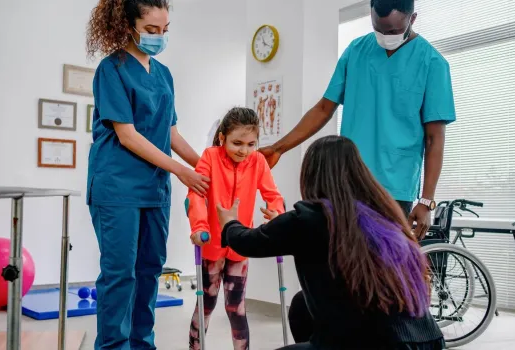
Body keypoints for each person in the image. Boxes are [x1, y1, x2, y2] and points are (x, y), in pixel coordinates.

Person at [259, 1, 455, 342]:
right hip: (344, 184)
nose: (385, 36)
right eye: (379, 29)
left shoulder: (433, 63)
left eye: (393, 30)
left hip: (392, 190)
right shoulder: (356, 51)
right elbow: (323, 108)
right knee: (341, 270)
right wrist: (279, 147)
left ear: (413, 19)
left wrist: (427, 199)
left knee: (384, 278)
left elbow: (435, 137)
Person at [217, 135, 445, 350]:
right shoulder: (380, 214)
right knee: (301, 305)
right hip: (427, 340)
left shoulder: (309, 217)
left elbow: (247, 242)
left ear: (311, 174)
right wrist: (283, 225)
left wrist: (230, 223)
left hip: (380, 343)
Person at [85, 1, 209, 349]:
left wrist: (207, 167)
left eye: (164, 30)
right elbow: (128, 135)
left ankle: (142, 344)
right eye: (151, 30)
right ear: (128, 25)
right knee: (120, 275)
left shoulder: (164, 74)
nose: (159, 37)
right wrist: (182, 171)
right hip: (117, 186)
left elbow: (170, 133)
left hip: (154, 188)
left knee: (150, 271)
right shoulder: (112, 69)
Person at [186, 107, 285, 350]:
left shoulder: (258, 161)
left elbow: (273, 195)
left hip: (240, 243)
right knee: (205, 305)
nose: (244, 150)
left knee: (236, 308)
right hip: (211, 243)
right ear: (222, 138)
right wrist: (198, 227)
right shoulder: (209, 157)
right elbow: (195, 195)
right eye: (237, 143)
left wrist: (277, 215)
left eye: (251, 144)